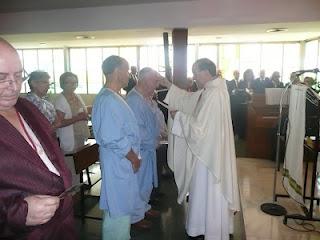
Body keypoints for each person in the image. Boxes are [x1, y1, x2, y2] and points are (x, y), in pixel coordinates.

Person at [0, 39, 75, 239]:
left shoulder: (27, 108)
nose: (13, 86)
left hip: (62, 224)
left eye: (18, 76)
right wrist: (17, 213)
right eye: (2, 77)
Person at [163, 58, 240, 239]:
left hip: (208, 155)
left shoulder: (214, 93)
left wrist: (179, 116)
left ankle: (208, 228)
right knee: (205, 191)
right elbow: (190, 100)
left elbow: (200, 129)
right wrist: (168, 85)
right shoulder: (213, 90)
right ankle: (205, 225)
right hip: (210, 150)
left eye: (195, 72)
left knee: (207, 189)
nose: (194, 77)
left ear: (205, 72)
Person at [92, 55, 148, 240]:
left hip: (120, 159)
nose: (130, 75)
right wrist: (133, 157)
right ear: (116, 71)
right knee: (119, 207)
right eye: (127, 70)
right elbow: (112, 136)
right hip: (119, 159)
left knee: (120, 204)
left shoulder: (114, 96)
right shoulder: (108, 99)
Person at [126, 67, 162, 217]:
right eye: (155, 81)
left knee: (145, 182)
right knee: (139, 182)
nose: (157, 86)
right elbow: (137, 129)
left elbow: (154, 119)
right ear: (145, 81)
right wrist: (153, 140)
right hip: (140, 149)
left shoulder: (144, 98)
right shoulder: (134, 100)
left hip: (148, 148)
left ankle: (144, 208)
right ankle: (135, 216)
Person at [54, 72, 90, 185]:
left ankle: (79, 188)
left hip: (80, 135)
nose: (72, 85)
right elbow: (58, 123)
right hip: (70, 137)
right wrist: (77, 118)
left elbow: (82, 112)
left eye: (74, 83)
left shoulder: (76, 96)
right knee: (71, 166)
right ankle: (73, 192)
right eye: (69, 82)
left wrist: (85, 116)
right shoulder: (60, 100)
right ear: (62, 84)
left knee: (79, 164)